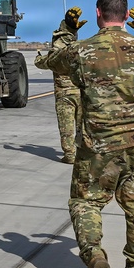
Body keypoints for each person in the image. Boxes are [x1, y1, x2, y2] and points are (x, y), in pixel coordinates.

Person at [37, 0, 134, 268]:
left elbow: (48, 60)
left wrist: (67, 29)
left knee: (85, 202)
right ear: (126, 16)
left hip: (99, 144)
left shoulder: (82, 51)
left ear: (97, 13)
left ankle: (95, 255)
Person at [35, 10, 84, 163]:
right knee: (82, 126)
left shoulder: (58, 47)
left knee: (66, 126)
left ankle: (70, 155)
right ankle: (83, 154)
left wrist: (38, 58)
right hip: (81, 90)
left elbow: (47, 63)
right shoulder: (80, 47)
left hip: (64, 92)